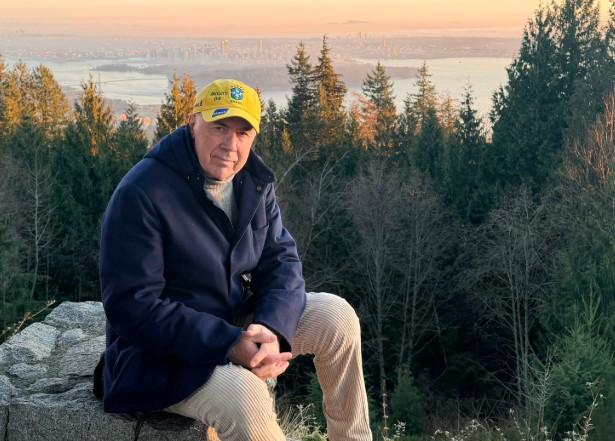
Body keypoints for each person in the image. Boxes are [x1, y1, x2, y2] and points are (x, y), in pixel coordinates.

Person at [99, 78, 372, 440]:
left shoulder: (253, 181)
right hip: (163, 356)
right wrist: (227, 343)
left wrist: (271, 328)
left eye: (244, 132)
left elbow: (281, 263)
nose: (231, 144)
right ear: (192, 122)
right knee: (245, 396)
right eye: (219, 127)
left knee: (337, 318)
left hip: (235, 322)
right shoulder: (142, 193)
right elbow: (133, 307)